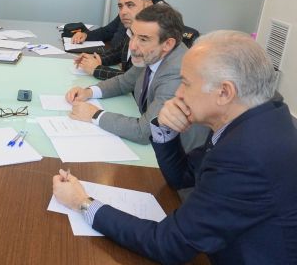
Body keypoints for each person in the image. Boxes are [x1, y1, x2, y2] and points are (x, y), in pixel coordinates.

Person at [53, 30, 297, 264]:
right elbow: (182, 177)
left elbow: (168, 245)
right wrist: (165, 129)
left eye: (186, 84)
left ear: (224, 92)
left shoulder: (245, 155)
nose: (177, 94)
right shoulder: (258, 116)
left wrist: (83, 203)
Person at [66, 4, 208, 150]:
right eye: (132, 35)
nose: (132, 46)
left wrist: (94, 114)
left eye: (143, 39)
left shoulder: (177, 74)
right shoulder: (153, 52)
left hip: (179, 159)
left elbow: (144, 132)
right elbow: (124, 82)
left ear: (167, 44)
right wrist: (89, 92)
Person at [74, 0, 153, 80]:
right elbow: (119, 52)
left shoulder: (153, 38)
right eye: (120, 6)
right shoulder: (130, 30)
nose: (123, 12)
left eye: (130, 5)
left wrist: (97, 69)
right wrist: (97, 58)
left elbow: (136, 80)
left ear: (148, 6)